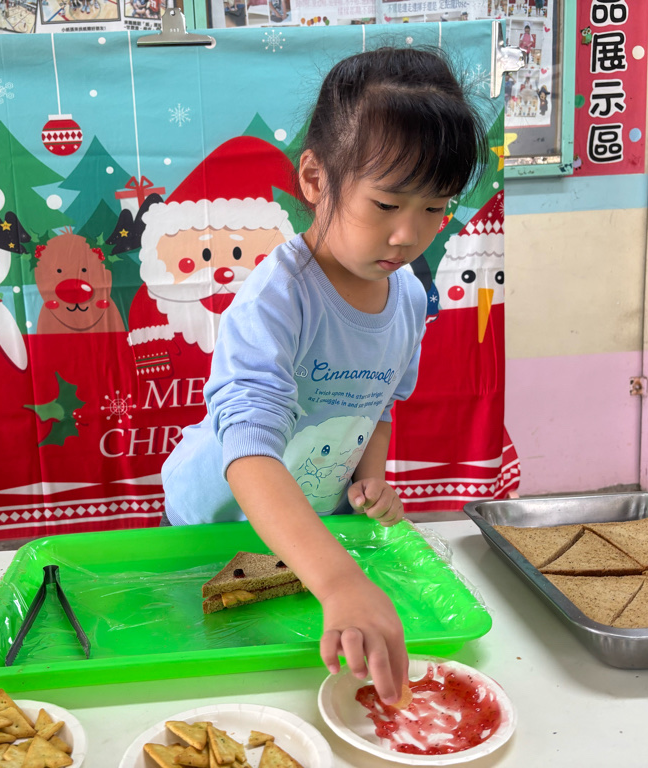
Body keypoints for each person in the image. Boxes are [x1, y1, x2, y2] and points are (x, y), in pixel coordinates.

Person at [160, 47, 486, 706]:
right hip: (218, 524)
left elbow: (379, 404)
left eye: (435, 208)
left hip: (316, 532)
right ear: (315, 178)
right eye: (387, 203)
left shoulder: (408, 296)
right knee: (228, 685)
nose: (407, 235)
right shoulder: (279, 297)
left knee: (308, 683)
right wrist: (338, 581)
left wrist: (372, 479)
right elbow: (249, 448)